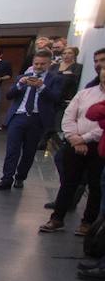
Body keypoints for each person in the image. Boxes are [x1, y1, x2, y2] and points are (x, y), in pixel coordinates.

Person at [41, 47, 104, 235]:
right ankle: (57, 218)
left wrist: (84, 138)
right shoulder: (86, 92)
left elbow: (102, 125)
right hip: (75, 142)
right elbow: (69, 116)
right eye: (96, 60)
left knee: (95, 185)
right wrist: (73, 137)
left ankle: (87, 222)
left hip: (98, 146)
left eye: (103, 60)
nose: (99, 65)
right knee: (68, 182)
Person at [0, 50, 64, 190]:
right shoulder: (23, 77)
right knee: (12, 149)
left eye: (43, 64)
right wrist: (20, 84)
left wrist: (41, 87)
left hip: (37, 118)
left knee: (29, 151)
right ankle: (6, 179)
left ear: (49, 64)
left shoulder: (55, 79)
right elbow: (9, 95)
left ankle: (20, 177)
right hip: (18, 116)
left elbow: (56, 98)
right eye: (36, 63)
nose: (39, 66)